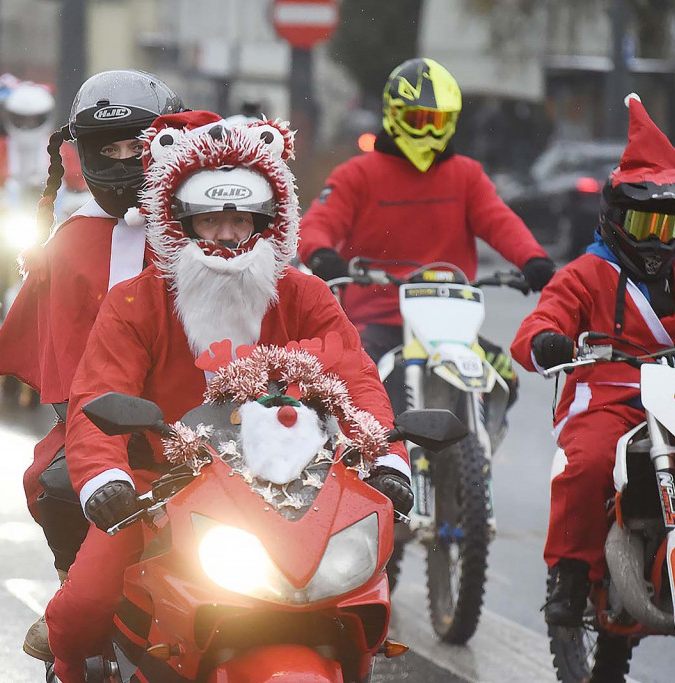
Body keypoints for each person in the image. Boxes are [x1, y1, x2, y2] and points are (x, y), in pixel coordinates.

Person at [43, 110, 413, 683]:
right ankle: (68, 671)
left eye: (242, 218)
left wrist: (388, 459)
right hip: (160, 492)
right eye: (209, 218)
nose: (226, 234)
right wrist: (106, 480)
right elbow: (100, 396)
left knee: (359, 598)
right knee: (86, 600)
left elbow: (357, 380)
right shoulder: (136, 302)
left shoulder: (305, 295)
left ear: (271, 221)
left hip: (299, 490)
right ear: (176, 221)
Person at [510, 95, 675, 627]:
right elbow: (540, 324)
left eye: (666, 225)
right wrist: (547, 342)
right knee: (584, 465)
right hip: (607, 400)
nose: (654, 239)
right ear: (613, 217)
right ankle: (569, 573)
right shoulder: (584, 274)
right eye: (641, 223)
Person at [0, 69, 183, 662]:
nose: (124, 161)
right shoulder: (73, 244)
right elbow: (69, 377)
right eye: (109, 149)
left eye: (137, 146)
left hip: (217, 439)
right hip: (112, 443)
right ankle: (86, 614)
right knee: (55, 485)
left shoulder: (222, 230)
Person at [297, 57, 556, 381]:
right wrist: (322, 256)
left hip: (452, 319)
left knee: (504, 377)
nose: (428, 131)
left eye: (438, 121)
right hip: (377, 319)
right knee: (354, 380)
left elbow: (499, 221)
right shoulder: (356, 175)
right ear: (393, 114)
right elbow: (319, 221)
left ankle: (483, 433)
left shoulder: (466, 175)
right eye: (418, 119)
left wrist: (534, 260)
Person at [0, 82, 84, 193]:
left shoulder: (62, 150)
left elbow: (80, 183)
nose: (26, 125)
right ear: (10, 117)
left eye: (33, 119)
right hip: (2, 212)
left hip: (53, 212)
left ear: (45, 117)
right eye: (20, 119)